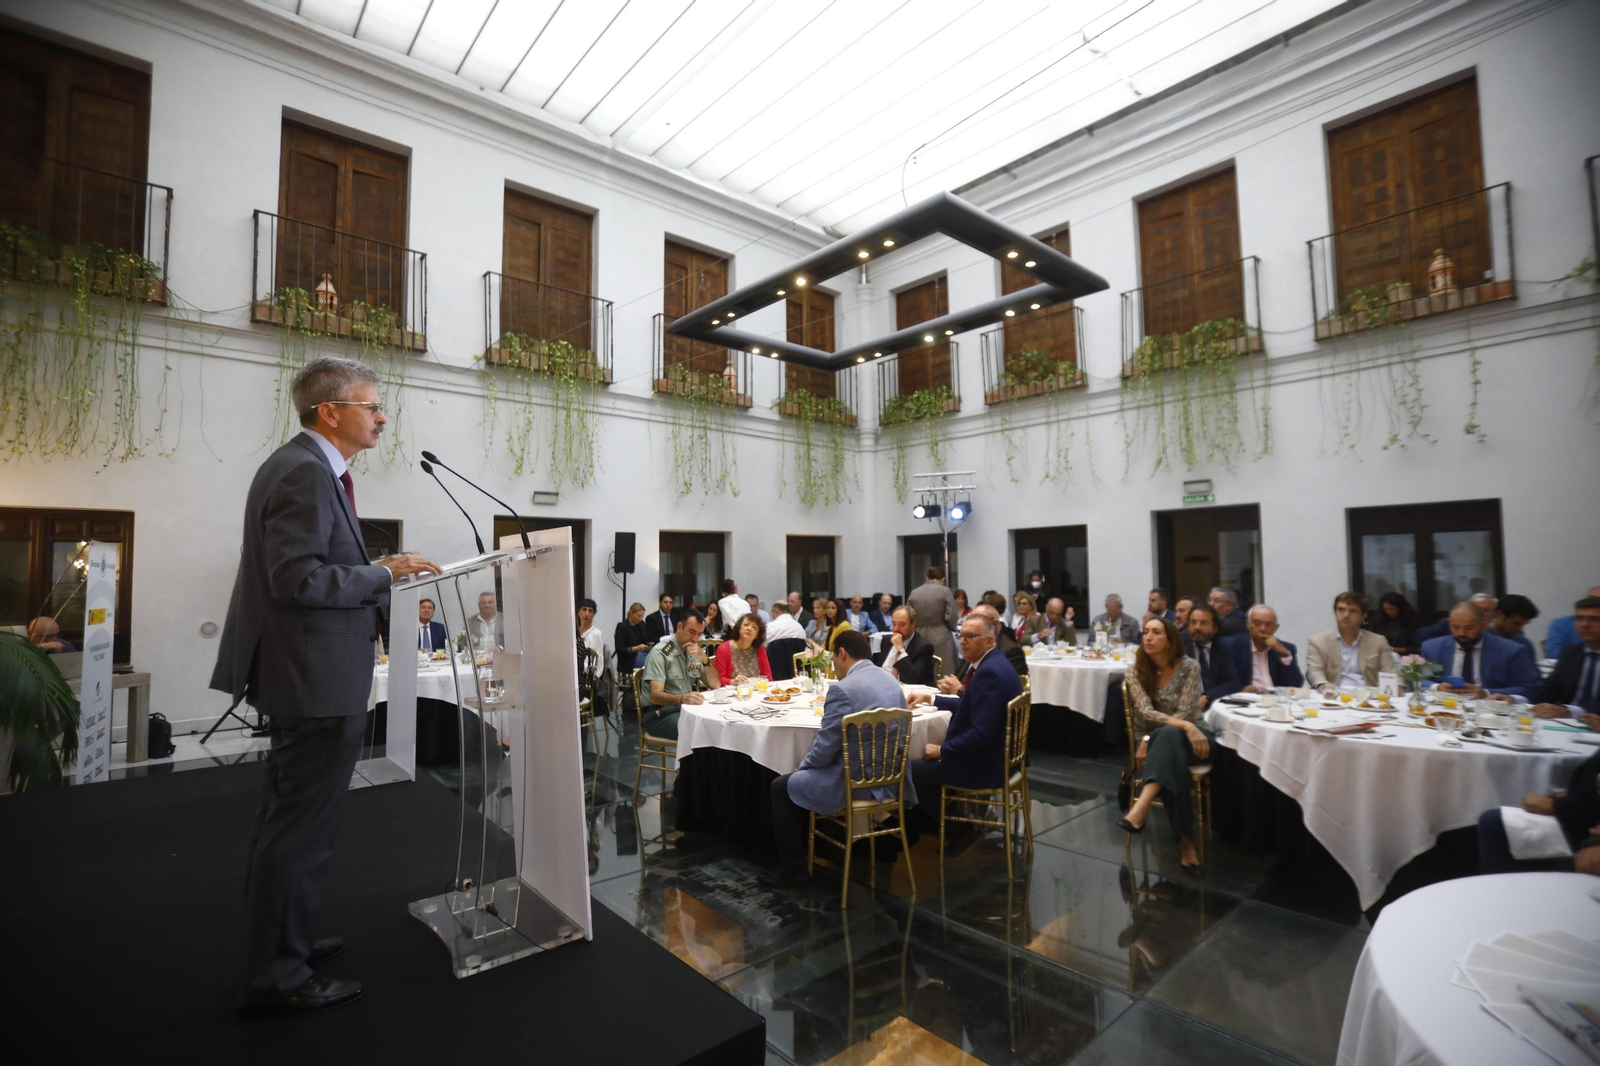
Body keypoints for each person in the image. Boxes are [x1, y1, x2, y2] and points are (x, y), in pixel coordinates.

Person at [211, 355, 441, 1014]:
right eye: (373, 406)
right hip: (312, 679)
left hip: (312, 673)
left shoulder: (308, 468)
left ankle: (286, 944)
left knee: (294, 826)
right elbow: (297, 580)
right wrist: (385, 574)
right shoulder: (304, 472)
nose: (383, 417)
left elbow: (310, 568)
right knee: (299, 833)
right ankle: (278, 976)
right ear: (330, 412)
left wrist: (378, 568)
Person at [761, 630, 911, 887]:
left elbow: (825, 749)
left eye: (833, 659)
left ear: (842, 653)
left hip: (852, 781)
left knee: (780, 786)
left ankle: (792, 869)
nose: (833, 665)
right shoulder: (891, 682)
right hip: (889, 779)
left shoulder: (843, 689)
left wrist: (802, 768)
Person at [904, 613, 1022, 845]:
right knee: (919, 765)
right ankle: (934, 820)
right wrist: (931, 698)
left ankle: (957, 828)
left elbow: (980, 734)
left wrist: (941, 751)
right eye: (961, 635)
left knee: (909, 770)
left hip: (987, 763)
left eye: (970, 636)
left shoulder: (989, 673)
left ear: (989, 640)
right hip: (1002, 755)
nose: (963, 641)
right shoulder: (994, 662)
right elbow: (972, 705)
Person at [1118, 617, 1209, 872]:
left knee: (1169, 742)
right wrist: (1151, 737)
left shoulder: (1189, 667)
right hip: (1163, 739)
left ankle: (1141, 806)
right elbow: (1145, 712)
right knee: (1171, 756)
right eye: (1146, 632)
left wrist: (1153, 738)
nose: (1148, 637)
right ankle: (1187, 844)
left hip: (1196, 739)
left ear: (1170, 640)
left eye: (1156, 632)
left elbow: (1186, 712)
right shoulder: (1135, 670)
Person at [1476, 746, 1600, 875]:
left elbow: (1588, 805)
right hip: (1583, 813)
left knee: (1494, 823)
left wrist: (1555, 806)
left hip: (1584, 826)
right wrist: (1572, 796)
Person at [1494, 596, 1600, 718]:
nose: (1585, 624)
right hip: (1566, 722)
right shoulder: (1571, 653)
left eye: (1594, 620)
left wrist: (1569, 711)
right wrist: (1515, 699)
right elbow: (1548, 690)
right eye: (1579, 618)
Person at [1421, 601, 1539, 699]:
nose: (1462, 633)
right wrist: (1436, 687)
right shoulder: (1432, 648)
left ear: (1484, 625)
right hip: (1445, 708)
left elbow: (1529, 688)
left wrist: (1486, 693)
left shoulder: (1512, 650)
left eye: (1469, 628)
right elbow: (1417, 680)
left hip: (1490, 710)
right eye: (1455, 627)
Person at [640, 607, 716, 739]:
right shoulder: (661, 653)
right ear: (680, 627)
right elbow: (655, 696)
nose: (695, 639)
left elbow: (715, 684)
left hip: (686, 710)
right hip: (659, 714)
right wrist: (682, 698)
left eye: (699, 634)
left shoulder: (694, 653)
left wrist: (705, 659)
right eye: (692, 632)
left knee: (716, 724)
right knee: (700, 731)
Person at [1306, 591, 1397, 691]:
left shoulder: (1378, 641)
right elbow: (1314, 670)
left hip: (1368, 695)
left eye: (1353, 611)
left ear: (1364, 616)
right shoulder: (1318, 641)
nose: (1346, 615)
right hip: (1333, 694)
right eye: (1341, 609)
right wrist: (1322, 684)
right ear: (1335, 612)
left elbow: (1389, 671)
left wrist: (1397, 687)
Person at [1224, 605, 1304, 692]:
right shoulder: (1231, 646)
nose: (1263, 629)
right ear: (1248, 624)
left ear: (1276, 627)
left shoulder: (1285, 648)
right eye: (1257, 624)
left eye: (1268, 624)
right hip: (1246, 698)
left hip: (1275, 698)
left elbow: (1295, 685)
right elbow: (1223, 681)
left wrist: (1285, 655)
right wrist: (1242, 690)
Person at [908, 565, 960, 679]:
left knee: (921, 670)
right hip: (941, 635)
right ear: (943, 579)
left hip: (919, 635)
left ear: (927, 578)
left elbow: (909, 616)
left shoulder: (914, 593)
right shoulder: (945, 591)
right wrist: (952, 628)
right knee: (944, 671)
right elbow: (951, 616)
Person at [1183, 604, 1239, 706]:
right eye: (1193, 622)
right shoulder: (1179, 647)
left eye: (1203, 623)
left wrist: (1207, 697)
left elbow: (1232, 683)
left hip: (1213, 704)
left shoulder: (1222, 648)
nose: (1197, 627)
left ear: (1215, 628)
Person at [1413, 591, 1498, 646]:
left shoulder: (1496, 628)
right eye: (1477, 608)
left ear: (1495, 613)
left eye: (1486, 610)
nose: (1481, 613)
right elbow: (1420, 635)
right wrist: (1447, 643)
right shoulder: (1448, 622)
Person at [712, 612, 772, 686]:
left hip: (756, 690)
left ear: (758, 634)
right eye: (746, 625)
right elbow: (719, 679)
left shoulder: (760, 649)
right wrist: (733, 681)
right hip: (733, 691)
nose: (749, 628)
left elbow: (768, 678)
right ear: (739, 628)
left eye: (754, 627)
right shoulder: (723, 649)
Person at [881, 605, 936, 686]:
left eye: (901, 624)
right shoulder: (886, 641)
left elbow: (913, 679)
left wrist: (901, 650)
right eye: (894, 624)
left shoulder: (924, 647)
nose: (896, 629)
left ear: (913, 624)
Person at [970, 603, 1028, 679]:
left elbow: (1007, 684)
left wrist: (960, 687)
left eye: (977, 623)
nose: (971, 627)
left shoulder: (1011, 651)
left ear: (996, 624)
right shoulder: (972, 644)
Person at [1547, 587, 1600, 661]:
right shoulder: (1561, 623)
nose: (1585, 624)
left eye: (1594, 619)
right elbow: (1554, 652)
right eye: (1592, 600)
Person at [1491, 594, 1540, 662]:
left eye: (1523, 625)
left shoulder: (1524, 643)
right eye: (1516, 623)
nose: (1520, 629)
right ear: (1500, 614)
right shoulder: (1481, 640)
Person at [614, 601, 650, 676]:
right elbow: (619, 649)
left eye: (642, 616)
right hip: (630, 657)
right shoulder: (622, 627)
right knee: (652, 664)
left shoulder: (642, 624)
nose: (640, 618)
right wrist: (636, 648)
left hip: (644, 653)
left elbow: (646, 640)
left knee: (658, 661)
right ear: (631, 613)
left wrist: (648, 646)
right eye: (638, 616)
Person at [577, 597, 604, 679]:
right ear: (579, 612)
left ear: (593, 614)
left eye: (590, 611)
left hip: (586, 674)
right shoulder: (574, 632)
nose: (587, 614)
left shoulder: (596, 634)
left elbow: (599, 658)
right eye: (584, 609)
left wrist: (592, 676)